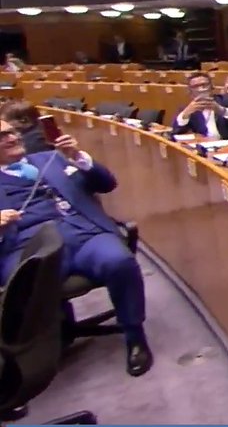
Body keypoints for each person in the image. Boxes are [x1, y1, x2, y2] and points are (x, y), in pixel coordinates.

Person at [0, 120, 153, 376]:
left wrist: (79, 158)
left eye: (11, 132)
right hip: (30, 246)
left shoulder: (51, 158)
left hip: (84, 233)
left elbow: (107, 184)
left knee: (119, 261)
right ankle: (30, 362)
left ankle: (135, 336)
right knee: (26, 290)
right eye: (1, 136)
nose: (12, 138)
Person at [172, 72, 228, 143]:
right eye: (196, 86)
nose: (201, 89)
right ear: (190, 91)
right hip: (202, 147)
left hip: (226, 147)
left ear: (212, 87)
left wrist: (221, 110)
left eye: (204, 85)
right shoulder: (187, 109)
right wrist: (186, 114)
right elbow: (176, 131)